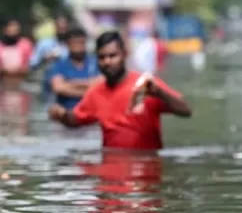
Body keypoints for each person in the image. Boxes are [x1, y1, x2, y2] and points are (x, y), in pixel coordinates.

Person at [48, 31, 191, 150]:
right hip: (109, 173)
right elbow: (76, 119)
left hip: (145, 173)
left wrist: (160, 93)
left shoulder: (145, 84)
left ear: (124, 55)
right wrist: (62, 115)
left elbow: (185, 110)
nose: (107, 62)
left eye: (112, 56)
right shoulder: (96, 92)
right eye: (102, 57)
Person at [48, 27, 102, 110]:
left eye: (82, 43)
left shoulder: (95, 62)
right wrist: (89, 86)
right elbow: (58, 88)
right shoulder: (59, 65)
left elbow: (102, 85)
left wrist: (69, 83)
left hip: (92, 113)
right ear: (67, 44)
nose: (79, 47)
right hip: (67, 113)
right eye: (75, 43)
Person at [0, 17, 34, 86]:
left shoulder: (26, 44)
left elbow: (31, 65)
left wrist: (18, 70)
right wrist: (6, 70)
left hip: (22, 82)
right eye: (10, 26)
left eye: (15, 27)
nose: (13, 29)